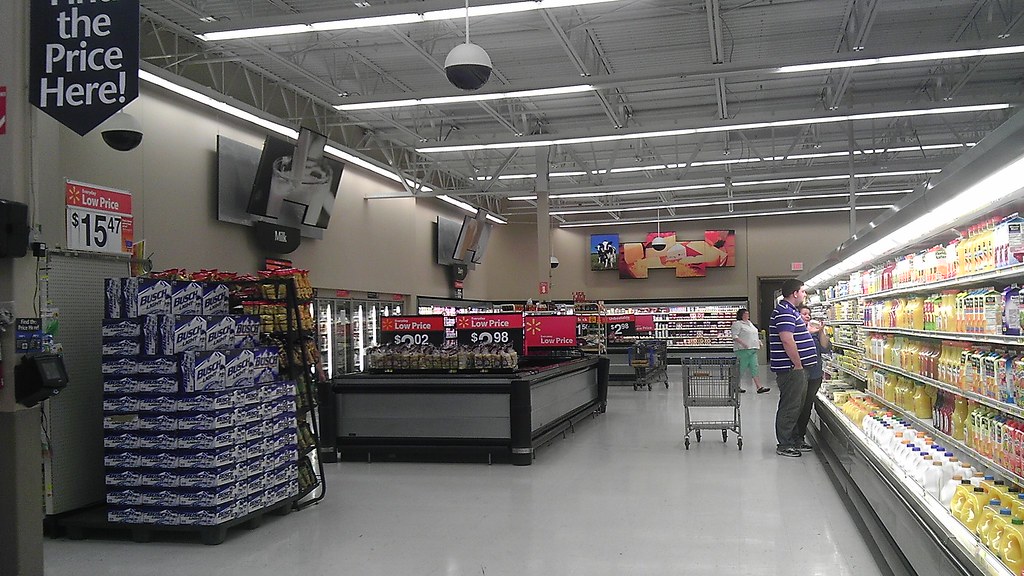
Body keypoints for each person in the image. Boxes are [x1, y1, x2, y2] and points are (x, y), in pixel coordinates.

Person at [768, 279, 818, 458]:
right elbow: (787, 339)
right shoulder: (784, 312)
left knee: (797, 405)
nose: (804, 295)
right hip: (791, 369)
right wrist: (797, 364)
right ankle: (785, 443)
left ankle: (795, 439)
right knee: (790, 405)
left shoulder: (789, 311)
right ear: (795, 293)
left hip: (797, 368)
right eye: (803, 291)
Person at [795, 304, 830, 452]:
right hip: (800, 374)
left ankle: (800, 437)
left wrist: (821, 331)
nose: (807, 316)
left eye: (808, 314)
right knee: (797, 405)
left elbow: (825, 348)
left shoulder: (814, 331)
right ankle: (792, 437)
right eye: (804, 314)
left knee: (807, 405)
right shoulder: (795, 331)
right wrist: (807, 332)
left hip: (815, 374)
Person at [731, 308, 769, 394]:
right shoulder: (737, 324)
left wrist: (759, 342)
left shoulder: (750, 323)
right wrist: (743, 343)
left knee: (754, 367)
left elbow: (754, 334)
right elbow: (735, 336)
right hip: (743, 350)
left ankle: (759, 387)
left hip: (753, 349)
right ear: (741, 315)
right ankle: (735, 385)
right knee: (741, 368)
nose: (747, 315)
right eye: (745, 314)